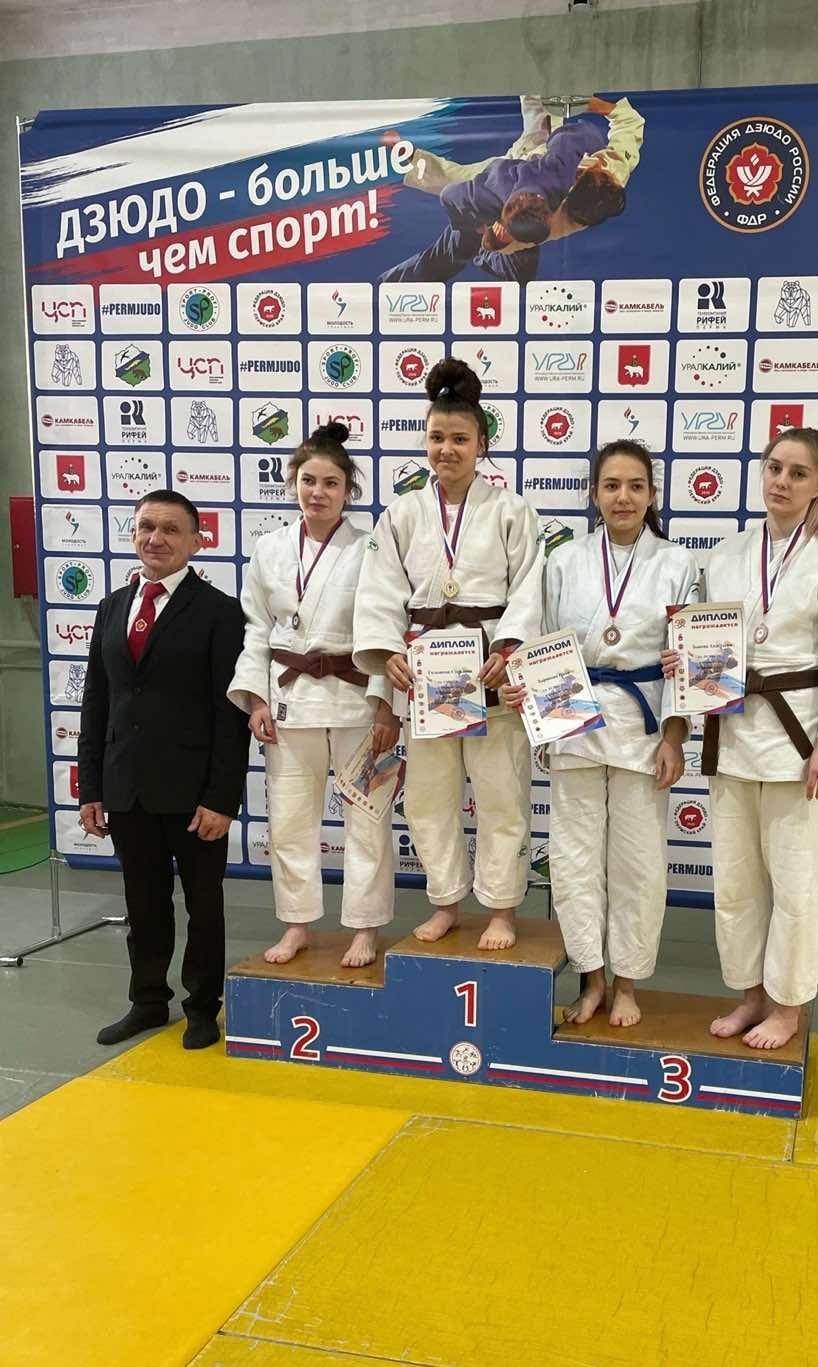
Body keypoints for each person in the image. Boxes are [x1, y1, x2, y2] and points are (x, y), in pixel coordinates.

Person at [686, 428, 818, 1051]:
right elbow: (705, 642)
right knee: (736, 883)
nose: (781, 482)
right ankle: (750, 996)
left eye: (797, 473)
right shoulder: (726, 554)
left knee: (795, 884)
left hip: (800, 738)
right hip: (735, 733)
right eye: (774, 468)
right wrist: (684, 663)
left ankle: (788, 1006)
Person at [504, 443, 699, 1026]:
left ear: (652, 495)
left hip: (644, 723)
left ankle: (628, 983)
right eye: (611, 485)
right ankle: (591, 979)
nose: (623, 497)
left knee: (639, 862)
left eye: (636, 486)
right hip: (575, 719)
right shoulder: (564, 561)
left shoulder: (677, 563)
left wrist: (675, 736)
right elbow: (540, 642)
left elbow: (689, 662)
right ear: (594, 494)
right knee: (574, 859)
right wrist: (533, 705)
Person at [353, 358, 543, 950]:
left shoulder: (511, 510)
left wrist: (509, 648)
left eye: (460, 438)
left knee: (501, 794)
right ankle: (445, 901)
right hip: (427, 674)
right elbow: (380, 592)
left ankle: (502, 908)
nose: (447, 449)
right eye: (437, 437)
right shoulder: (403, 513)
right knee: (429, 798)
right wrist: (388, 654)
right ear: (425, 442)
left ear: (482, 443)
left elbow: (530, 587)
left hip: (489, 669)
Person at [77, 490, 250, 1049]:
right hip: (127, 787)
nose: (156, 538)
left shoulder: (220, 611)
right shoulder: (111, 607)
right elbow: (97, 703)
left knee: (204, 906)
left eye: (171, 529)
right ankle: (148, 1001)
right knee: (143, 903)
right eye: (146, 527)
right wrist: (92, 786)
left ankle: (202, 1007)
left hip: (193, 792)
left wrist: (221, 798)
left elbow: (231, 713)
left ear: (197, 542)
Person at [227, 424, 401, 969]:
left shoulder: (372, 546)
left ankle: (366, 926)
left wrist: (386, 704)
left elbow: (386, 628)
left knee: (367, 816)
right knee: (289, 819)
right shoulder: (270, 548)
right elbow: (257, 628)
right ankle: (296, 922)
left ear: (348, 490)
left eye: (330, 483)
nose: (318, 492)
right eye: (308, 481)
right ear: (292, 484)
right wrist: (256, 699)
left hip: (357, 701)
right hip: (290, 700)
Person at [383, 94, 643, 284]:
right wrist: (597, 106)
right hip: (532, 157)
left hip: (502, 207)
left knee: (456, 249)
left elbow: (455, 189)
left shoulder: (552, 221)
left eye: (585, 172)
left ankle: (388, 286)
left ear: (575, 188)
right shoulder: (614, 168)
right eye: (596, 167)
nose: (594, 164)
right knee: (540, 102)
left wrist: (495, 238)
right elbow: (629, 124)